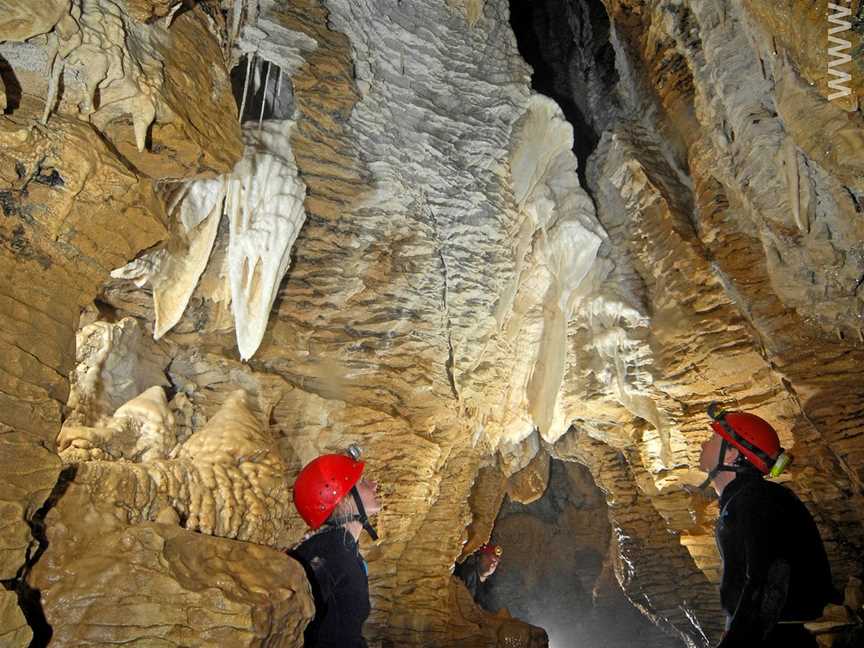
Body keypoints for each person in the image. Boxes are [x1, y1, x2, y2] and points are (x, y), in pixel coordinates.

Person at [698, 403, 835, 648]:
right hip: (775, 634)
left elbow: (771, 576)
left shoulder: (757, 499)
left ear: (731, 453)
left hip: (778, 638)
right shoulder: (751, 499)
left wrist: (738, 640)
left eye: (712, 439)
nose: (703, 445)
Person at [290, 445, 381, 648]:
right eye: (363, 482)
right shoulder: (328, 554)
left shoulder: (345, 549)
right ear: (345, 499)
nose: (373, 484)